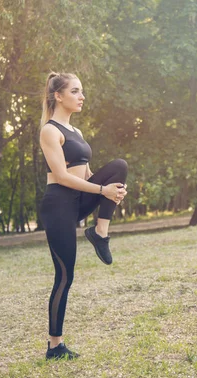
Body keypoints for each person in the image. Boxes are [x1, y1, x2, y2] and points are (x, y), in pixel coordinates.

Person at [39, 72, 128, 360]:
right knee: (65, 276)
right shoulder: (50, 131)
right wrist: (102, 190)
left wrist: (111, 191)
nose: (82, 97)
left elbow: (85, 173)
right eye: (75, 91)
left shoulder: (76, 132)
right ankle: (55, 345)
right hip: (59, 205)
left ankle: (100, 233)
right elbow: (63, 176)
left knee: (119, 167)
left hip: (78, 198)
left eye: (81, 91)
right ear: (58, 96)